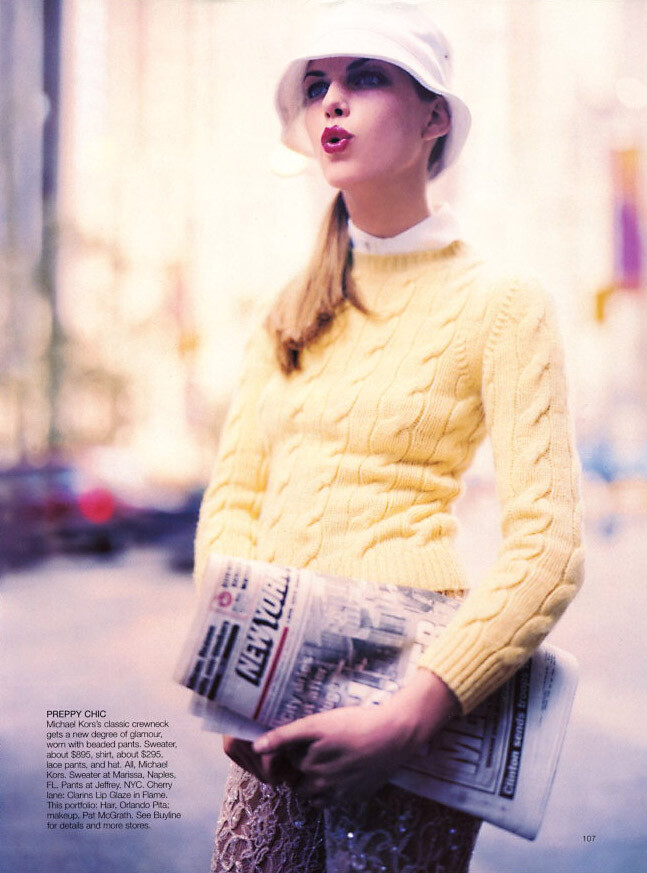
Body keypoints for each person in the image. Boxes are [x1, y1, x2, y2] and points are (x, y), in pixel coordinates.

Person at [194, 3, 584, 871]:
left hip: (413, 690)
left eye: (366, 78)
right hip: (273, 698)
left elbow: (548, 550)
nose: (332, 101)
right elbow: (235, 501)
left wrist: (410, 717)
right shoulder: (288, 309)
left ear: (433, 117)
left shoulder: (504, 302)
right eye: (318, 85)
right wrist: (230, 682)